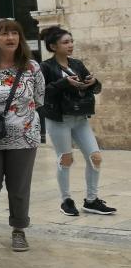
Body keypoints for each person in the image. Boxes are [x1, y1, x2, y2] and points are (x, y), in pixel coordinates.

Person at [0, 19, 46, 252]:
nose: (10, 37)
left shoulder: (32, 67)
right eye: (4, 34)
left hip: (24, 136)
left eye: (14, 33)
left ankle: (19, 230)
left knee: (19, 186)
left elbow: (39, 98)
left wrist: (18, 118)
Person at [40, 27, 114, 216]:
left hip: (80, 118)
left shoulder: (77, 64)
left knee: (95, 157)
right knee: (65, 159)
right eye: (65, 42)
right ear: (53, 46)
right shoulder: (46, 67)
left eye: (71, 41)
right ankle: (66, 200)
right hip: (59, 119)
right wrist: (65, 83)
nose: (70, 45)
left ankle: (91, 200)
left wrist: (93, 82)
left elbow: (95, 89)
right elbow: (41, 92)